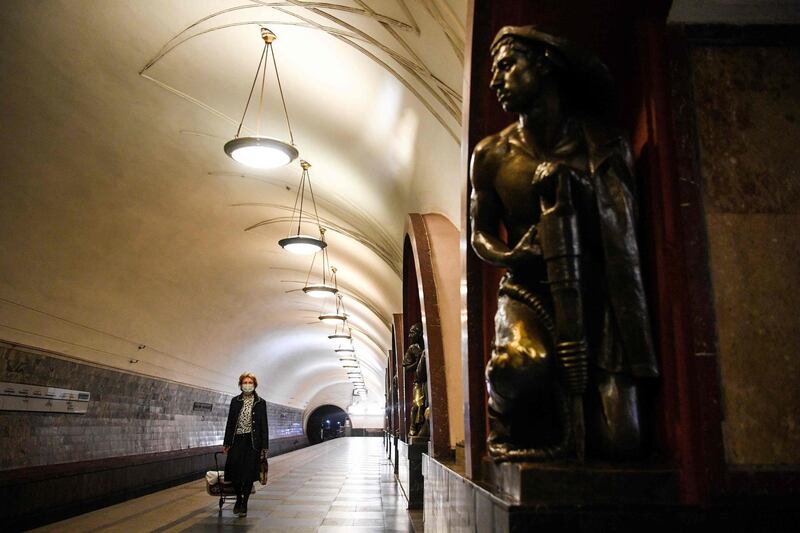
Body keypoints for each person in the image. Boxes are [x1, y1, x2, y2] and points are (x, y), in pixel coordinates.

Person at [470, 26, 659, 461]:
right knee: (520, 362)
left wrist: (576, 187)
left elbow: (623, 224)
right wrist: (513, 255)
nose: (496, 81)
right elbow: (480, 233)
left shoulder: (602, 143)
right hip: (527, 292)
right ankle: (502, 422)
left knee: (622, 441)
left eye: (506, 66)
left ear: (544, 65)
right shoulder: (492, 154)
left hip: (597, 293)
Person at [223, 372, 269, 516]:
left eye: (250, 382)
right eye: (245, 382)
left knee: (248, 474)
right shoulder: (235, 401)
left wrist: (264, 446)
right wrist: (227, 442)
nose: (247, 385)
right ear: (240, 385)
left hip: (252, 442)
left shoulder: (260, 402)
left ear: (254, 385)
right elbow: (230, 423)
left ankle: (245, 504)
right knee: (235, 472)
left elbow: (263, 425)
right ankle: (238, 498)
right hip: (237, 441)